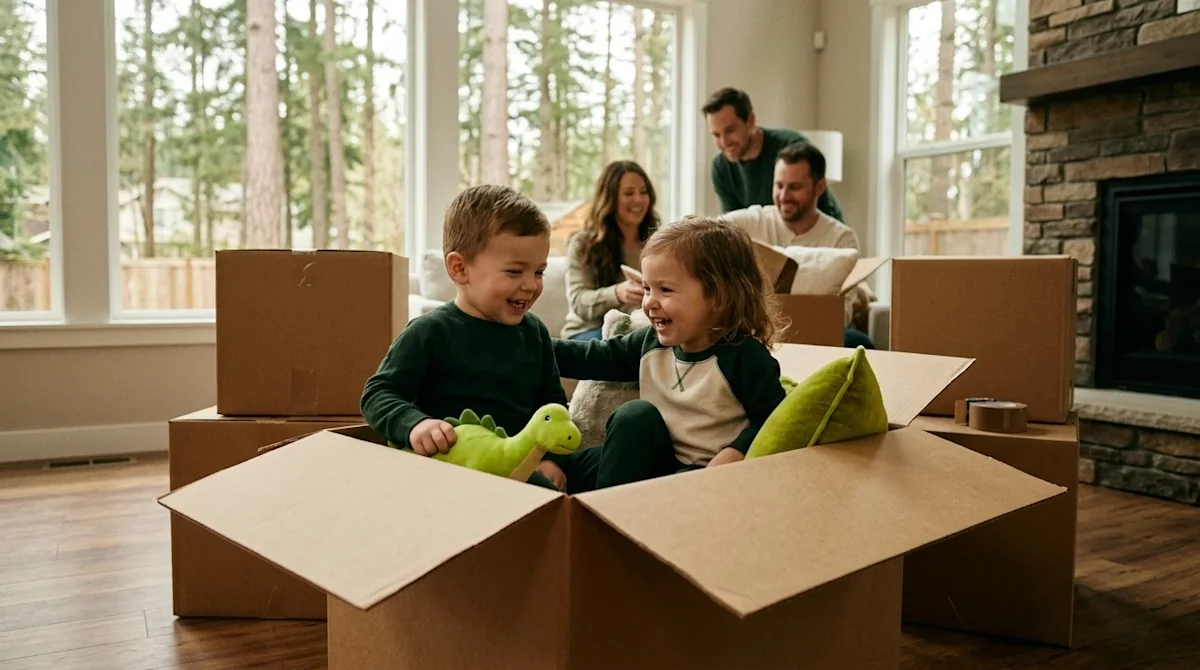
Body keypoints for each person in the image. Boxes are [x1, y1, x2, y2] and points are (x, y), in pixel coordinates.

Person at [360, 184, 600, 493]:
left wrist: (552, 459)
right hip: (464, 470)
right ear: (460, 269)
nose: (531, 285)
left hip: (526, 459)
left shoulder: (535, 333)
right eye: (515, 272)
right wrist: (415, 424)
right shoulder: (430, 331)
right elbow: (378, 393)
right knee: (539, 489)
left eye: (539, 272)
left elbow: (552, 404)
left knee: (608, 459)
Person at [551, 217, 788, 489]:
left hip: (707, 478)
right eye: (647, 288)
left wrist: (735, 452)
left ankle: (606, 518)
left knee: (632, 417)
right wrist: (532, 342)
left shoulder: (745, 356)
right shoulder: (650, 343)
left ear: (718, 296)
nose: (649, 302)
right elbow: (592, 357)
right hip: (654, 464)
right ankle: (600, 508)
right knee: (630, 420)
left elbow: (775, 420)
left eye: (665, 290)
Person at [717, 140, 875, 349]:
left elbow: (842, 313)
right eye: (779, 185)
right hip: (757, 329)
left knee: (859, 342)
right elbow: (707, 230)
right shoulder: (753, 220)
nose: (783, 196)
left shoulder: (842, 238)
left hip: (816, 331)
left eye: (794, 187)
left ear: (819, 187)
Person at [703, 86, 844, 221]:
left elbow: (811, 212)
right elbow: (734, 227)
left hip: (818, 237)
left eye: (730, 130)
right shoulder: (721, 168)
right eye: (716, 135)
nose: (724, 141)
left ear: (750, 120)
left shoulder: (791, 147)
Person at [561, 161, 660, 340]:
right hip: (589, 332)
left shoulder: (656, 241)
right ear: (610, 198)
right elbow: (579, 301)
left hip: (639, 327)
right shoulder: (584, 244)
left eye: (643, 192)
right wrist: (617, 294)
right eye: (628, 193)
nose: (638, 199)